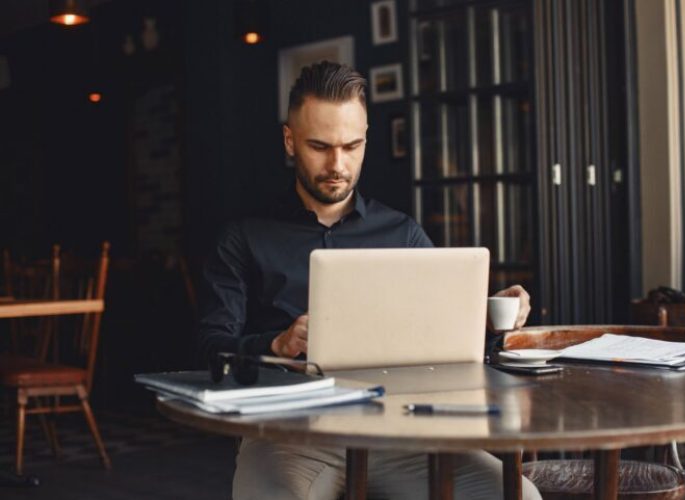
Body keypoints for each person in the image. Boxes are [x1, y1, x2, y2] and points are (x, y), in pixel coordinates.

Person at [198, 61, 540, 500]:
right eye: (319, 146)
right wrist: (276, 344)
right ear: (289, 140)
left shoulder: (402, 233)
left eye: (351, 146)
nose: (337, 164)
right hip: (288, 437)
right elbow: (209, 349)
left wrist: (489, 321)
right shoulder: (244, 238)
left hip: (401, 433)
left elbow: (451, 345)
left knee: (521, 497)